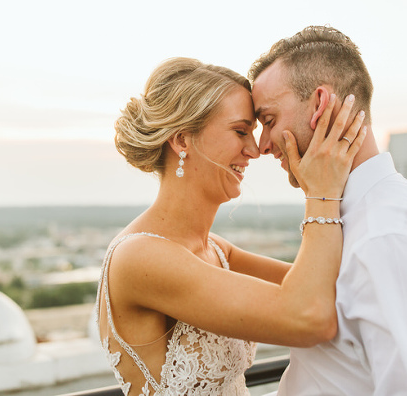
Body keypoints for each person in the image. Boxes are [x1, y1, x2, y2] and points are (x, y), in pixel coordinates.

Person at [97, 57, 367, 395]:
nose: (255, 150)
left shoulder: (216, 250)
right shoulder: (140, 258)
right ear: (182, 141)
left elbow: (330, 288)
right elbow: (309, 317)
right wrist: (322, 194)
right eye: (240, 131)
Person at [249, 26, 407, 395]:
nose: (263, 145)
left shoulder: (389, 237)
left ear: (320, 105)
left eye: (268, 120)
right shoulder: (345, 219)